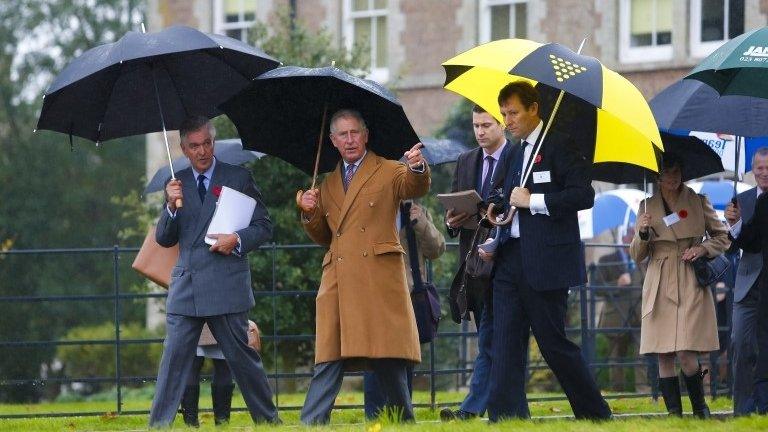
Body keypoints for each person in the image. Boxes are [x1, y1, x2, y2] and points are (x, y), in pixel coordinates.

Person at [478, 81, 612, 421]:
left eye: (513, 113)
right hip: (510, 258)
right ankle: (505, 418)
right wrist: (494, 207)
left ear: (534, 108)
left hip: (547, 262)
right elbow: (503, 192)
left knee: (553, 345)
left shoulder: (562, 144)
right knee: (505, 342)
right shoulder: (513, 151)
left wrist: (533, 201)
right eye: (504, 114)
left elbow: (583, 196)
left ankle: (595, 413)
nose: (507, 121)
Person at [298, 109, 430, 424]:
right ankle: (311, 423)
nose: (350, 140)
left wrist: (416, 168)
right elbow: (323, 236)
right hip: (338, 281)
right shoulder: (327, 184)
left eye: (355, 132)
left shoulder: (387, 169)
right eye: (342, 134)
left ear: (366, 135)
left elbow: (414, 186)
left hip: (377, 278)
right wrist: (309, 213)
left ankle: (404, 421)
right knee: (329, 356)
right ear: (332, 141)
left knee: (387, 357)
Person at [149, 116, 277, 427]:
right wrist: (170, 207)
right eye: (194, 146)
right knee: (173, 361)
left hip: (227, 285)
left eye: (207, 143)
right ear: (183, 148)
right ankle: (158, 425)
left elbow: (264, 226)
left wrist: (236, 240)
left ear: (213, 142)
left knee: (244, 361)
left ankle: (269, 421)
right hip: (187, 287)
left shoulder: (239, 177)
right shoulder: (174, 183)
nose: (203, 151)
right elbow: (164, 239)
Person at [442, 104, 527, 421]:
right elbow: (450, 220)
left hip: (506, 259)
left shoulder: (518, 158)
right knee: (489, 337)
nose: (480, 131)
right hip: (474, 266)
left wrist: (486, 214)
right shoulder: (466, 161)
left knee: (492, 336)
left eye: (487, 125)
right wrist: (452, 220)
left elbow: (516, 208)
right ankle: (508, 409)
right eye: (476, 125)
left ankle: (472, 407)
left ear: (502, 125)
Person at [631, 153, 730, 418]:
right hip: (660, 279)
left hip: (690, 278)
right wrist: (642, 232)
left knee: (686, 351)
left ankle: (700, 408)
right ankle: (674, 415)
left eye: (676, 172)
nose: (672, 177)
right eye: (666, 172)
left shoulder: (699, 201)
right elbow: (637, 255)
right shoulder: (646, 206)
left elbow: (722, 237)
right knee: (663, 352)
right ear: (657, 176)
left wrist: (702, 248)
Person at [363, 200, 445, 419]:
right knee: (373, 356)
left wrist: (420, 221)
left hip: (409, 296)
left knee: (406, 359)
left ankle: (401, 415)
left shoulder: (415, 210)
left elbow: (437, 249)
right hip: (376, 295)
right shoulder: (369, 209)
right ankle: (375, 415)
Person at [725, 147, 768, 415]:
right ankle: (742, 409)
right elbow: (731, 247)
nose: (764, 173)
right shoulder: (741, 200)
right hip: (748, 286)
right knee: (740, 343)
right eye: (760, 168)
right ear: (753, 170)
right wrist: (733, 225)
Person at [180, 321, 260, 426]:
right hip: (221, 317)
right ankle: (222, 423)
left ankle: (190, 424)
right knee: (223, 367)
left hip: (192, 319)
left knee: (192, 366)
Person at [592, 228, 643, 392]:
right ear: (623, 236)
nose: (633, 236)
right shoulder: (607, 260)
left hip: (640, 317)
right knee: (616, 358)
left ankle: (644, 392)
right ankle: (618, 392)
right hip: (616, 318)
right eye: (630, 233)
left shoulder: (642, 259)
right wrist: (616, 283)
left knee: (642, 356)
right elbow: (596, 288)